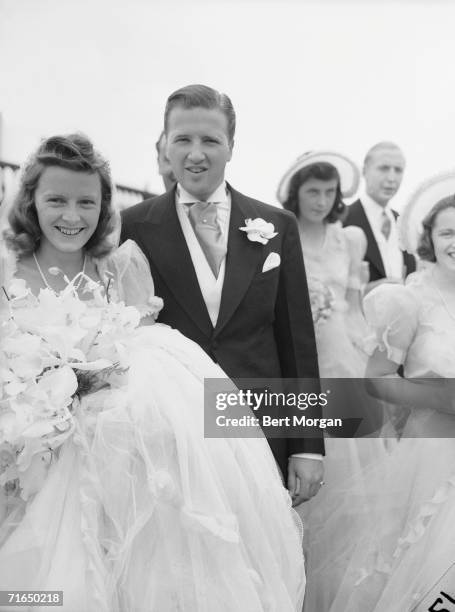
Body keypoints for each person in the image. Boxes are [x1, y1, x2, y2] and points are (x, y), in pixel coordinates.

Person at [0, 134, 306, 611]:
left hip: (110, 472)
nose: (71, 216)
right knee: (30, 590)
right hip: (22, 459)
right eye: (55, 200)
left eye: (87, 202)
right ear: (30, 201)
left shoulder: (118, 269)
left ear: (104, 207)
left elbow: (149, 370)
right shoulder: (6, 271)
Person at [121, 84, 324, 505]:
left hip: (261, 425)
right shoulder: (130, 227)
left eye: (210, 140)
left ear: (231, 145)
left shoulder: (277, 226)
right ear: (165, 145)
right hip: (173, 432)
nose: (196, 153)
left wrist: (307, 444)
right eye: (183, 139)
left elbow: (296, 342)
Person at [330, 171, 455, 611]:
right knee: (429, 563)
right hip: (434, 453)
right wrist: (439, 398)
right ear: (429, 239)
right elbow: (376, 378)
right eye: (448, 232)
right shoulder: (408, 299)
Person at [278, 152, 390, 612]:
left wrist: (370, 352)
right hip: (302, 361)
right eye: (313, 192)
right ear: (296, 194)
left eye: (329, 193)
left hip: (342, 356)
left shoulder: (349, 238)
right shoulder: (280, 232)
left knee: (352, 470)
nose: (322, 201)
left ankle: (345, 575)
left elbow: (355, 300)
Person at [344, 142, 416, 290]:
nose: (391, 178)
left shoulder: (406, 224)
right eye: (384, 168)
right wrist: (369, 290)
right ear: (364, 171)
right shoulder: (342, 220)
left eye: (398, 170)